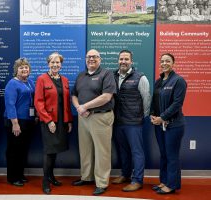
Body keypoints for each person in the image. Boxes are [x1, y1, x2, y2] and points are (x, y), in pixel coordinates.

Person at [71, 49, 116, 196]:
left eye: (94, 57)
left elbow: (106, 97)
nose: (91, 59)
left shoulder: (106, 74)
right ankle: (87, 177)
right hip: (83, 117)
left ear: (100, 59)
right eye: (89, 57)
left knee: (102, 151)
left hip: (101, 117)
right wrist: (79, 107)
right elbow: (74, 95)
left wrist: (86, 106)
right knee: (86, 149)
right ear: (85, 59)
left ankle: (102, 182)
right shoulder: (81, 75)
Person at [112, 50, 150, 192]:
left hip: (134, 122)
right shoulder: (113, 75)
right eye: (121, 59)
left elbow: (146, 99)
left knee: (137, 151)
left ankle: (137, 180)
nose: (123, 61)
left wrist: (141, 115)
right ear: (118, 60)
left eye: (126, 59)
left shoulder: (140, 77)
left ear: (131, 61)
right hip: (118, 121)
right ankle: (125, 175)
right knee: (123, 150)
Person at [34, 52, 73, 194]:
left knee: (55, 150)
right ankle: (45, 180)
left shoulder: (65, 80)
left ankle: (51, 176)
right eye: (52, 62)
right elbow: (38, 102)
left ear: (61, 64)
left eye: (58, 62)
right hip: (49, 121)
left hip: (62, 121)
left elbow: (67, 103)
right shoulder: (41, 79)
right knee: (49, 151)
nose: (55, 65)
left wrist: (69, 121)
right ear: (48, 64)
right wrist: (48, 120)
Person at [150, 53, 187, 194]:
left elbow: (177, 103)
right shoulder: (158, 81)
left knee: (172, 155)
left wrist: (163, 117)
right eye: (162, 61)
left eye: (167, 61)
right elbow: (155, 100)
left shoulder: (178, 81)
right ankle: (164, 181)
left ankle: (172, 185)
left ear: (173, 64)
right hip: (159, 125)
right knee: (164, 154)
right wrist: (153, 115)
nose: (164, 63)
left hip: (174, 125)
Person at [4, 58, 35, 186]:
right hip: (15, 121)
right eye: (21, 67)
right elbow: (10, 104)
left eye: (26, 67)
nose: (24, 69)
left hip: (28, 121)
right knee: (13, 150)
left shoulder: (30, 82)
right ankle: (12, 177)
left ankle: (20, 174)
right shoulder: (12, 83)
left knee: (22, 149)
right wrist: (15, 124)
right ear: (16, 70)